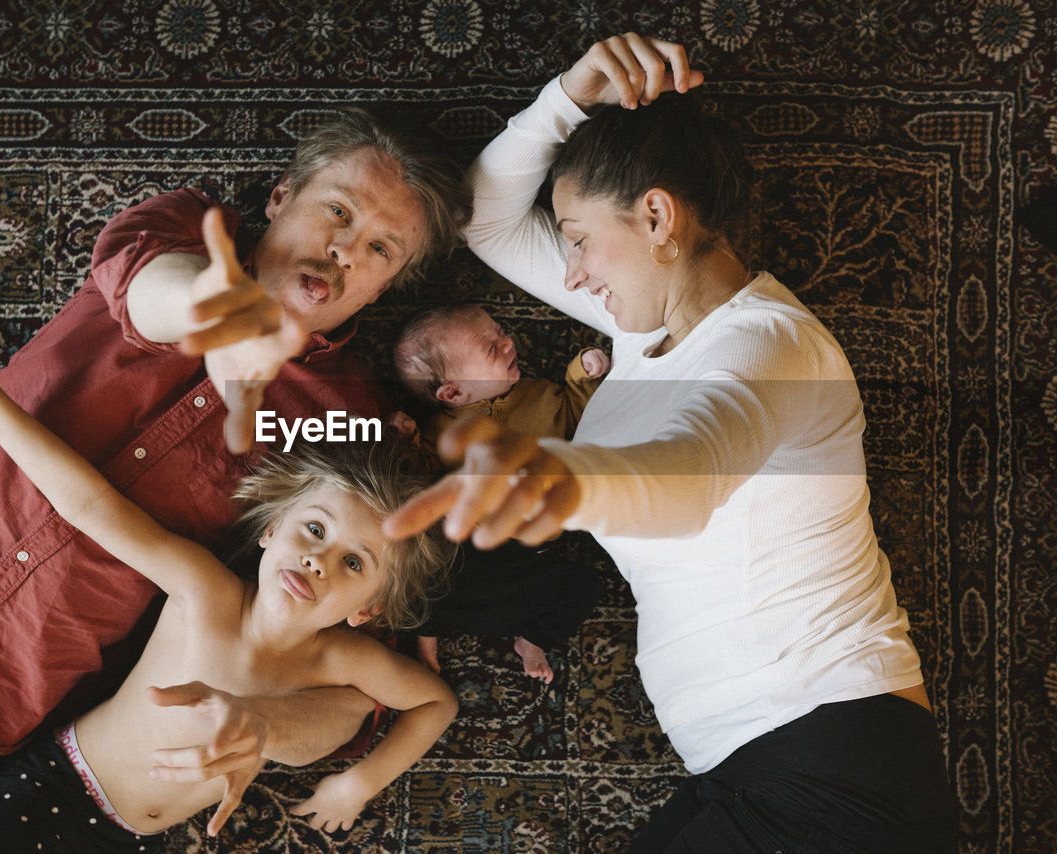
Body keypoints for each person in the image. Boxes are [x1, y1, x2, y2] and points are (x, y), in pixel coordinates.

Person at [0, 108, 470, 854]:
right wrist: (219, 316)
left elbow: (348, 685)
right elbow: (149, 291)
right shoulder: (181, 226)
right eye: (338, 209)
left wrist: (267, 725)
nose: (343, 248)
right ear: (281, 195)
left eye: (379, 248)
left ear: (387, 285)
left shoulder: (345, 423)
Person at [386, 32, 955, 853]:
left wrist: (562, 478)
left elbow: (687, 476)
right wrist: (567, 97)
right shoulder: (637, 335)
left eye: (578, 237)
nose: (572, 273)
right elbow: (485, 218)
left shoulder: (772, 348)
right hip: (773, 761)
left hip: (826, 757)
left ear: (656, 216)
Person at [0, 307, 456, 849]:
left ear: (368, 609)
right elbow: (89, 505)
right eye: (315, 529)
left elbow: (434, 703)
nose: (318, 561)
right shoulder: (207, 592)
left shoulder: (346, 661)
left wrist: (359, 784)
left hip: (137, 838)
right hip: (54, 791)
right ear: (272, 529)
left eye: (355, 563)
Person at [392, 303, 609, 681]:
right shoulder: (441, 431)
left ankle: (530, 638)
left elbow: (578, 413)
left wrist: (583, 373)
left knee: (585, 587)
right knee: (425, 576)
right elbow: (421, 477)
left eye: (500, 331)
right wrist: (405, 438)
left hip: (532, 548)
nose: (508, 342)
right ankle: (427, 627)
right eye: (492, 348)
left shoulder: (541, 396)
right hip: (467, 552)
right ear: (454, 392)